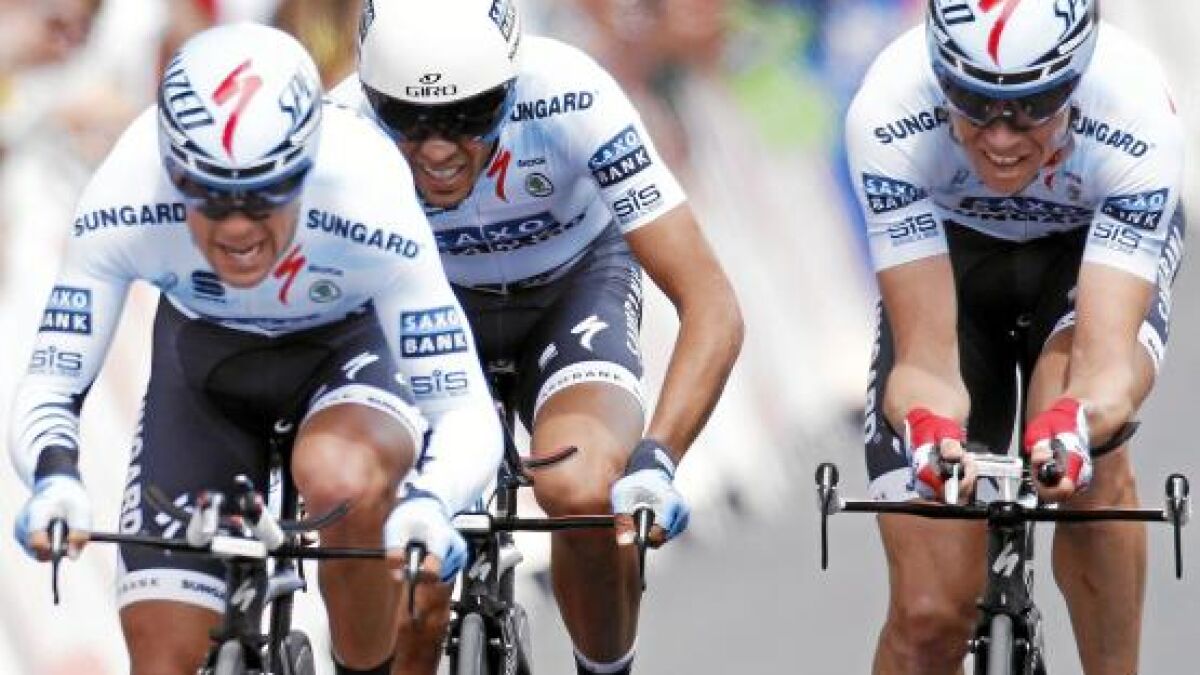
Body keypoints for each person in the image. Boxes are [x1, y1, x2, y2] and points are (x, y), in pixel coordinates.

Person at [9, 22, 503, 675]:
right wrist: (53, 476)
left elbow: (462, 407)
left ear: (308, 167)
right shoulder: (124, 192)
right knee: (162, 655)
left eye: (268, 195)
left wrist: (432, 498)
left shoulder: (367, 188)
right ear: (172, 171)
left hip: (347, 349)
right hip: (206, 362)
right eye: (209, 197)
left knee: (339, 478)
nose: (239, 227)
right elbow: (53, 378)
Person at [332, 1, 744, 673]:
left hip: (570, 288)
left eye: (470, 115)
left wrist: (657, 456)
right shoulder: (340, 128)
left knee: (580, 489)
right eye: (406, 118)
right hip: (427, 306)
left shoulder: (571, 95)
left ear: (509, 86)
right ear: (372, 96)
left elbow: (711, 302)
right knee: (413, 552)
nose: (437, 149)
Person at [846, 2, 1184, 674]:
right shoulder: (888, 110)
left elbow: (1106, 368)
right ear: (940, 77)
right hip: (956, 260)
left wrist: (1074, 423)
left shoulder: (1135, 111)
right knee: (928, 613)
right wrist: (930, 428)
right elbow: (926, 362)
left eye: (1035, 106)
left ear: (1077, 80)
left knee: (1088, 469)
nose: (1001, 137)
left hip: (1082, 259)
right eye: (973, 104)